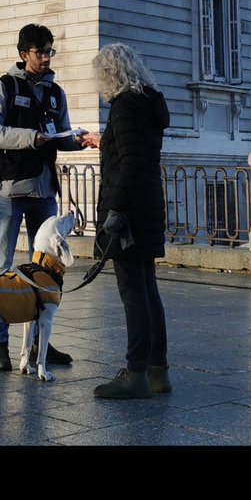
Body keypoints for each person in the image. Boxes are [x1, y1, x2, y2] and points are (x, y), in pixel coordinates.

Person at [0, 24, 86, 371]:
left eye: (50, 51)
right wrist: (31, 138)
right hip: (10, 191)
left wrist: (77, 139)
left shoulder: (56, 92)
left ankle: (40, 344)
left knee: (44, 272)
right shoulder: (2, 88)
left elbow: (58, 135)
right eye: (41, 52)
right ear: (24, 54)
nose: (46, 57)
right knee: (1, 269)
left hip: (44, 192)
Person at [79, 43, 170, 399]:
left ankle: (135, 374)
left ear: (110, 73)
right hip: (147, 207)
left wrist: (114, 211)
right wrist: (105, 141)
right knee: (148, 291)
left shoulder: (123, 106)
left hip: (129, 215)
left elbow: (130, 163)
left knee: (134, 295)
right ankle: (157, 371)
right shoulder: (147, 102)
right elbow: (136, 150)